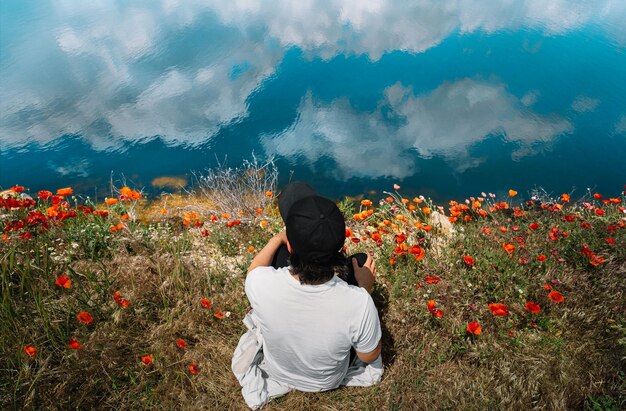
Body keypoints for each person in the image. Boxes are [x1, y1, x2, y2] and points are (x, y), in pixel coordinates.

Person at [232, 182, 383, 409]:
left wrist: (278, 239)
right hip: (326, 380)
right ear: (340, 246)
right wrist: (365, 289)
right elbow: (368, 357)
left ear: (292, 247)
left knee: (278, 247)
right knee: (360, 260)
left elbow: (255, 268)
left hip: (279, 369)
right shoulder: (358, 303)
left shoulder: (260, 283)